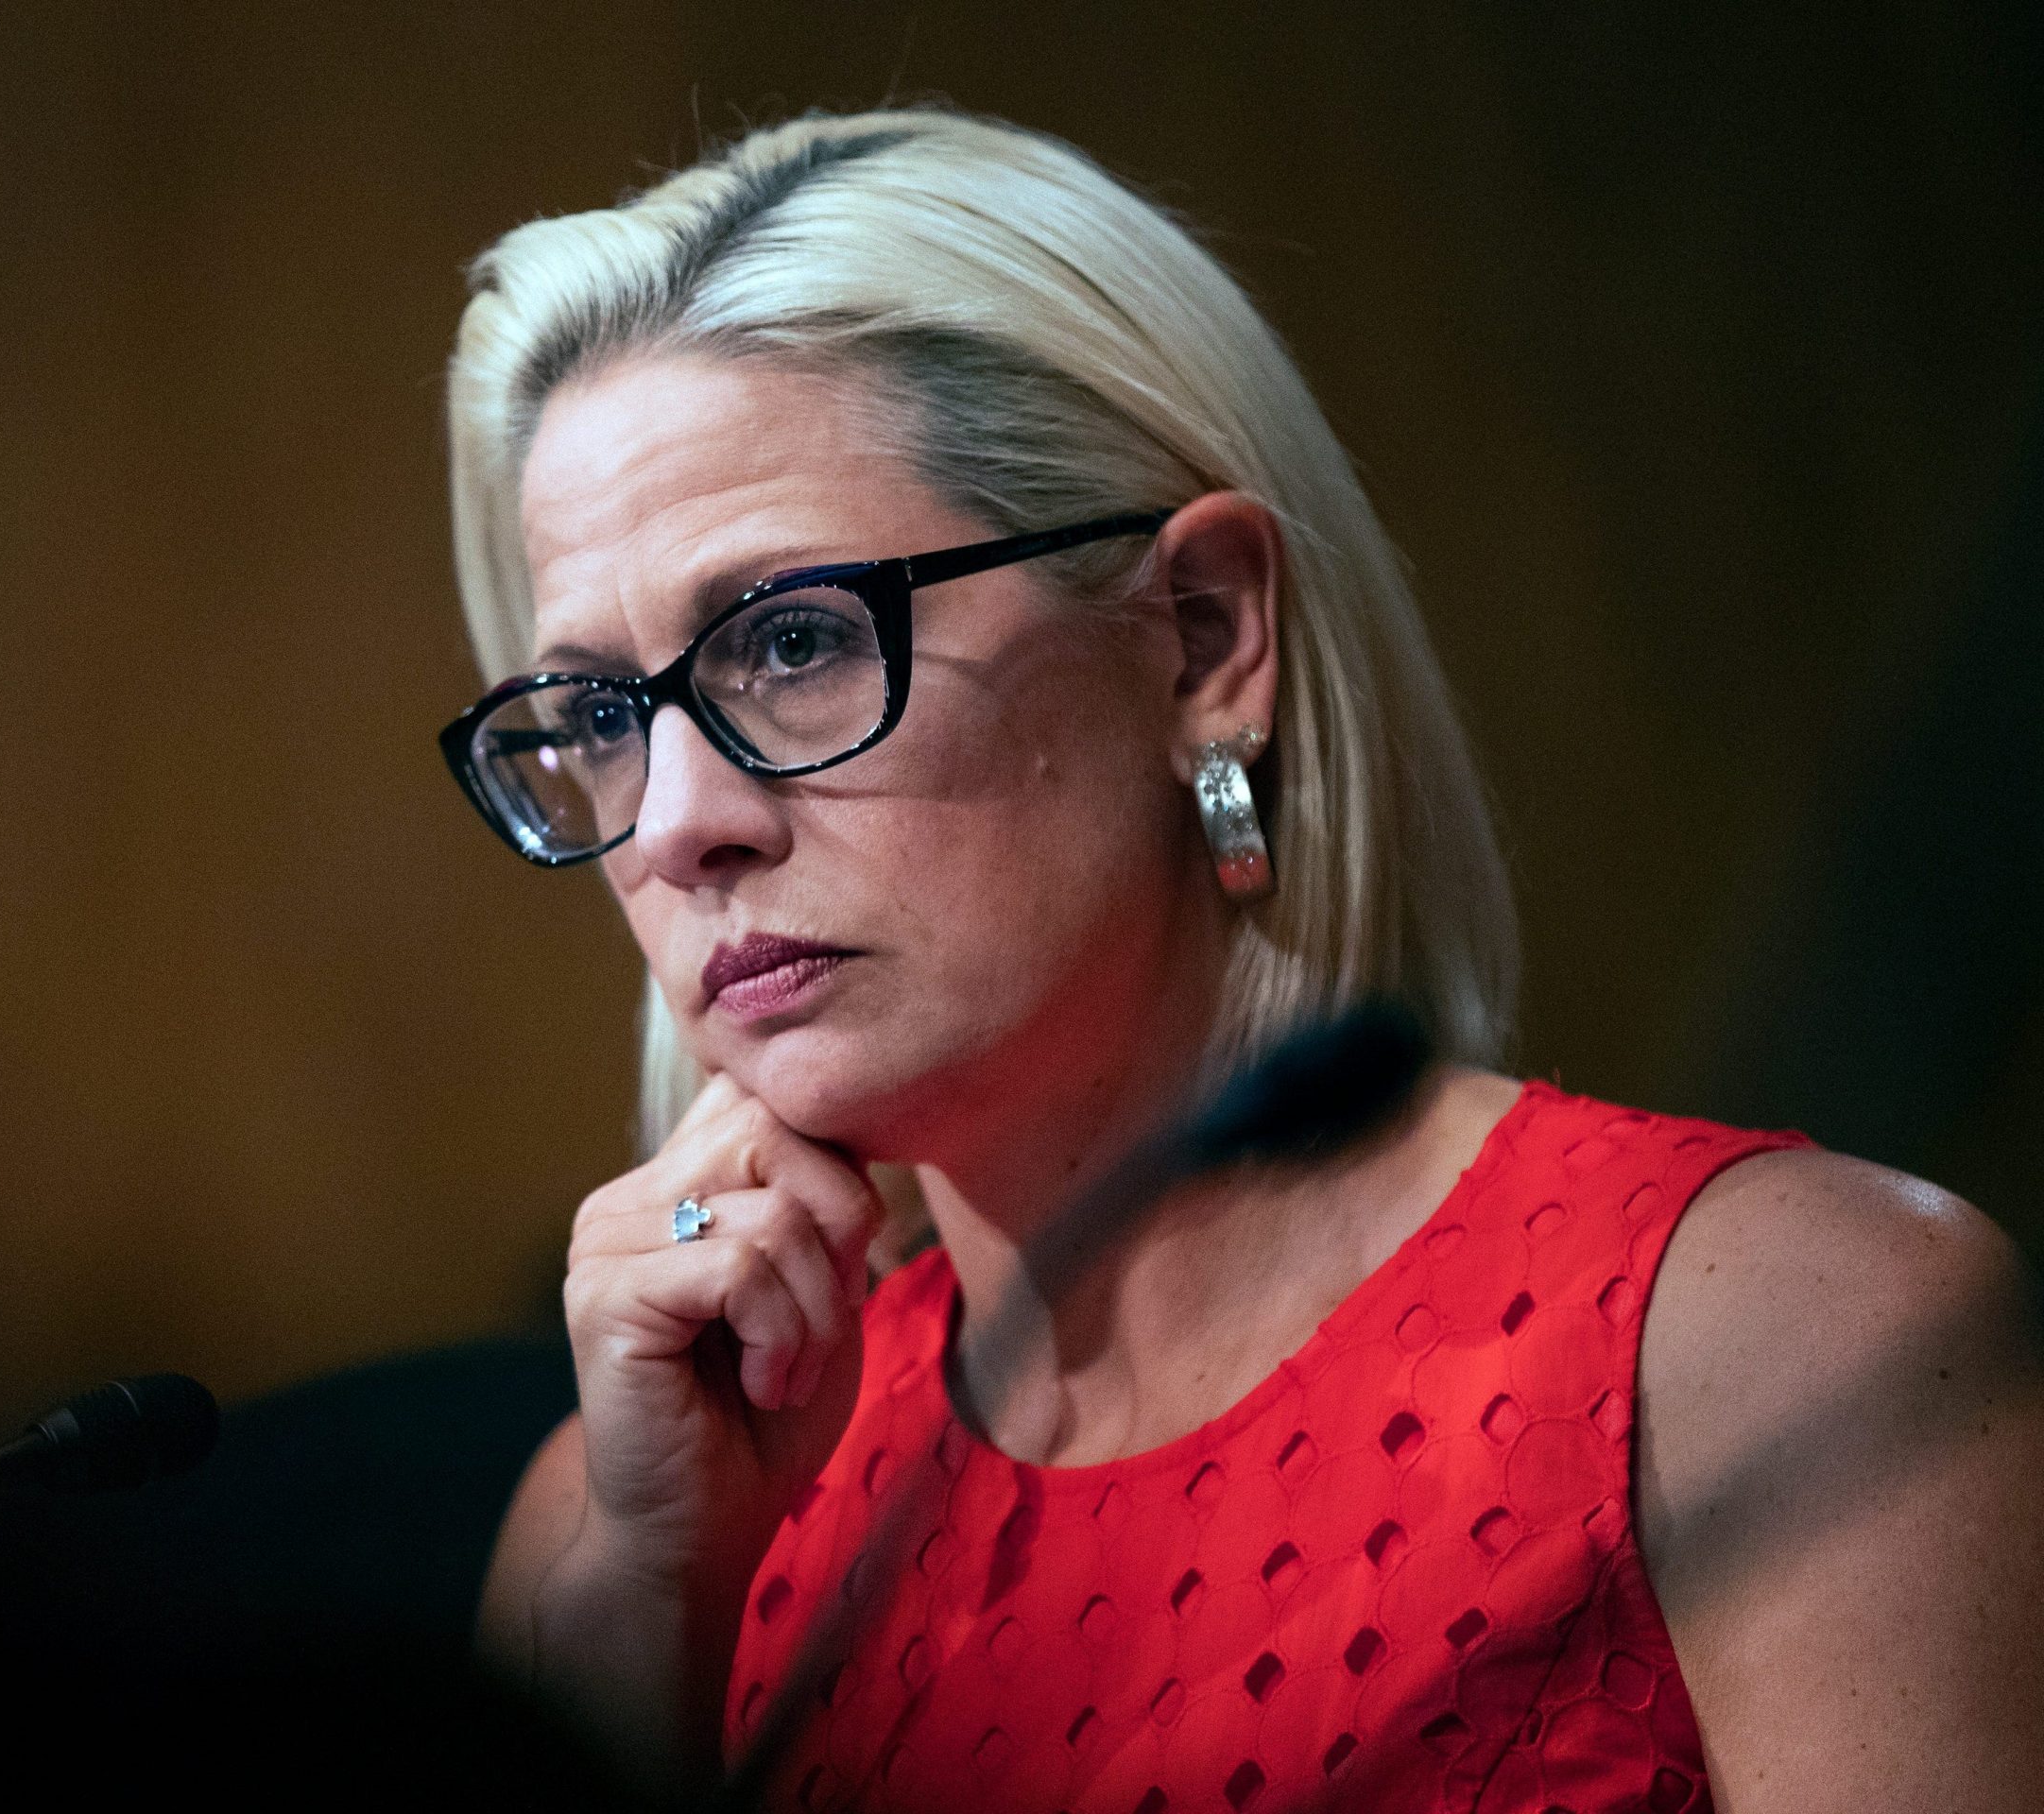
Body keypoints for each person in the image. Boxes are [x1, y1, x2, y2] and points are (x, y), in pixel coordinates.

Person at [443, 110, 2044, 1811]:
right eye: (602, 718)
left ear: (1204, 638)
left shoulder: (1780, 1344)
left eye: (796, 642)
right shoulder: (619, 1531)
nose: (680, 821)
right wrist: (643, 1633)